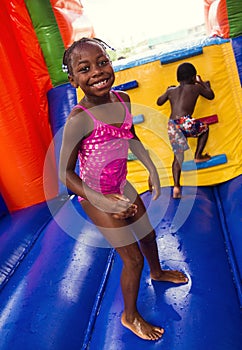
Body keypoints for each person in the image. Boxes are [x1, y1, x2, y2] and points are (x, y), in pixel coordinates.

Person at [59, 38, 188, 341]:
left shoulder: (122, 99)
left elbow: (130, 137)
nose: (97, 72)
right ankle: (130, 316)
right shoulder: (79, 119)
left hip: (121, 185)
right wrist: (105, 202)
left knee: (148, 234)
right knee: (132, 259)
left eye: (102, 62)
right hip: (95, 195)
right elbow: (66, 175)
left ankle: (157, 273)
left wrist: (153, 170)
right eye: (85, 68)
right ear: (73, 79)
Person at [156, 62, 215, 199]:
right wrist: (202, 83)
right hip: (185, 121)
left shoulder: (172, 91)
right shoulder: (195, 88)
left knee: (178, 156)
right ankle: (198, 155)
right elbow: (211, 95)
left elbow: (159, 102)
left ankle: (176, 187)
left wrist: (167, 91)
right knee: (204, 129)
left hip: (172, 125)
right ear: (193, 77)